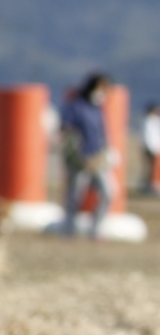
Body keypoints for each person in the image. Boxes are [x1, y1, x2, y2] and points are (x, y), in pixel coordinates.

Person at [60, 73, 113, 237]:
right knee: (75, 196)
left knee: (108, 192)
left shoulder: (97, 108)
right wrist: (75, 152)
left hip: (97, 158)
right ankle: (70, 230)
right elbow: (67, 130)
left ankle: (95, 229)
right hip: (79, 159)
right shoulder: (76, 106)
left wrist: (107, 151)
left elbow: (102, 133)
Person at [140, 102, 160, 194]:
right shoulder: (148, 121)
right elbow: (148, 136)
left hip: (158, 149)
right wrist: (151, 149)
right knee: (152, 169)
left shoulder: (157, 121)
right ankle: (152, 187)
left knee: (158, 168)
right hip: (152, 149)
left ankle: (158, 186)